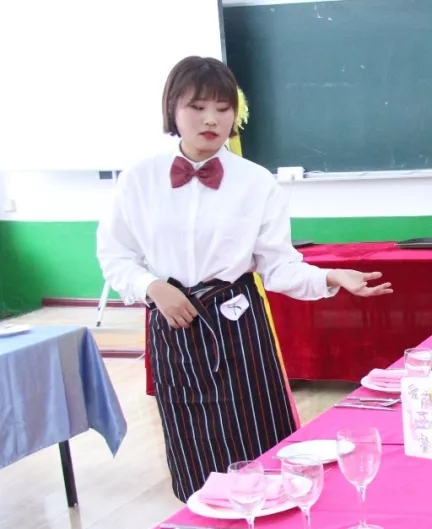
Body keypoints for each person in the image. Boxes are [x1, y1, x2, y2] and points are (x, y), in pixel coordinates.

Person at [97, 56, 393, 502]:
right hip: (173, 323)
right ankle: (206, 523)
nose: (211, 119)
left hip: (237, 323)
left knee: (258, 439)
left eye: (223, 108)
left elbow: (278, 266)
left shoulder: (255, 182)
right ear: (172, 109)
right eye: (198, 107)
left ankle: (275, 524)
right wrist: (152, 288)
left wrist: (331, 276)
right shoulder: (139, 180)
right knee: (192, 445)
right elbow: (116, 255)